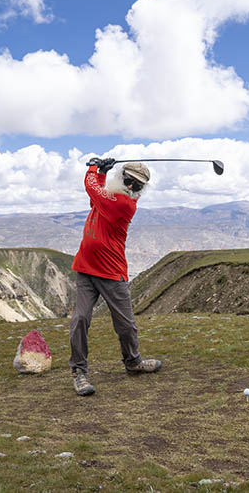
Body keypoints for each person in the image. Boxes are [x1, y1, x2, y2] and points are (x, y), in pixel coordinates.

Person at [68, 157, 162, 396]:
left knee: (126, 324)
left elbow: (92, 189)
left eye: (137, 186)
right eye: (129, 181)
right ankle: (79, 372)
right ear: (122, 178)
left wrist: (93, 168)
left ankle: (133, 362)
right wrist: (101, 173)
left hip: (111, 273)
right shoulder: (109, 198)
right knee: (80, 319)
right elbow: (96, 196)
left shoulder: (124, 204)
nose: (131, 188)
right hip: (86, 269)